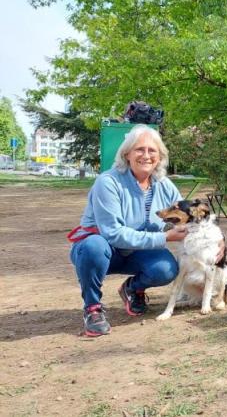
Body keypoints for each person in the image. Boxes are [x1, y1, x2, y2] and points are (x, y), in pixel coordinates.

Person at [68, 124, 187, 336]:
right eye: (139, 149)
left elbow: (189, 215)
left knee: (167, 268)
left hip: (137, 252)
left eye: (152, 151)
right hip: (105, 250)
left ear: (160, 157)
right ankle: (92, 308)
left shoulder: (164, 184)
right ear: (127, 154)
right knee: (93, 247)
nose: (146, 155)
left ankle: (133, 288)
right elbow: (113, 233)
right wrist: (164, 237)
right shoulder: (108, 182)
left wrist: (219, 242)